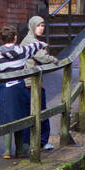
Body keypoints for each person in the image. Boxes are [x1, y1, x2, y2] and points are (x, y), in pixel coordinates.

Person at [0, 25, 46, 159]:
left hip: (4, 90)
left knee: (7, 119)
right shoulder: (21, 51)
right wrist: (42, 43)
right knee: (19, 117)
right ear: (15, 37)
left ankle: (7, 151)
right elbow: (33, 47)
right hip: (19, 88)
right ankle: (19, 150)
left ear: (2, 38)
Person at [21, 15, 59, 151]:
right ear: (32, 26)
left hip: (31, 81)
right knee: (41, 112)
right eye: (38, 26)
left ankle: (28, 143)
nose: (41, 28)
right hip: (31, 82)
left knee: (31, 113)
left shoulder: (31, 40)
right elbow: (41, 57)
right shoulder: (30, 41)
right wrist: (53, 59)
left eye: (43, 26)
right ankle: (41, 141)